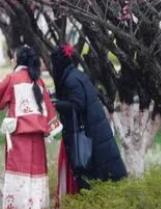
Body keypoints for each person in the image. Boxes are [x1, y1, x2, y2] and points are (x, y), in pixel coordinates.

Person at [0, 45, 62, 209]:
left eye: (13, 57)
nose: (12, 59)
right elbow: (48, 111)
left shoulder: (12, 78)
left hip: (19, 138)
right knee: (36, 176)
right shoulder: (38, 81)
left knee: (18, 176)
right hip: (37, 140)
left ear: (18, 59)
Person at [50, 44, 127, 196]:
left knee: (87, 172)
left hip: (88, 133)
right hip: (95, 130)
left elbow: (77, 105)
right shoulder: (76, 74)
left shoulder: (70, 80)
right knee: (99, 171)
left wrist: (55, 104)